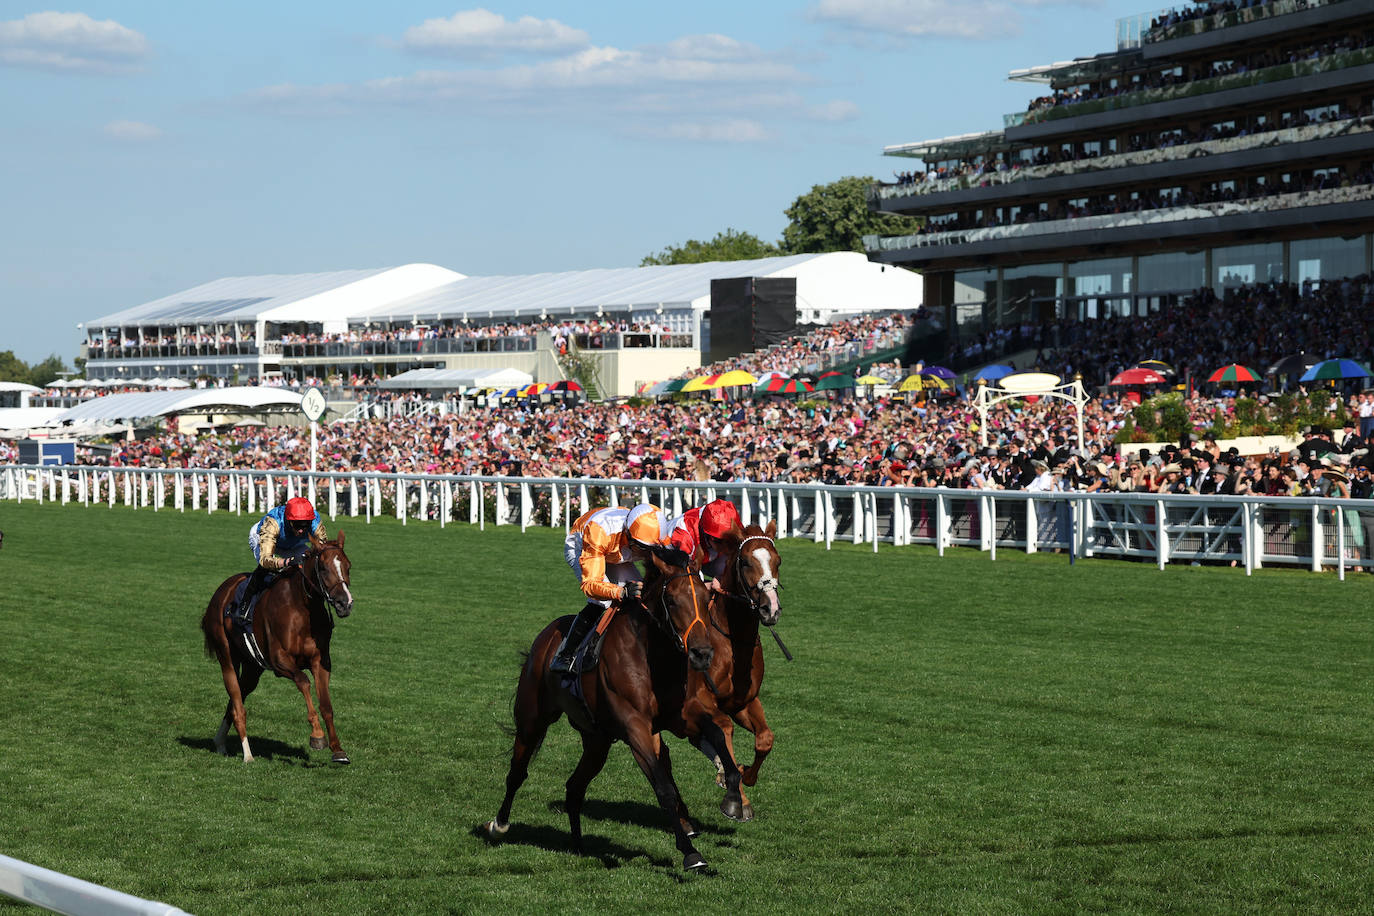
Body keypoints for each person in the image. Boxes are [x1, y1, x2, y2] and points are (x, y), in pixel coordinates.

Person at [551, 502, 671, 674]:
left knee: (641, 595)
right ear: (629, 535)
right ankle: (564, 655)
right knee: (604, 600)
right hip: (584, 546)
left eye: (650, 549)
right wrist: (620, 591)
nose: (646, 554)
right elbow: (590, 585)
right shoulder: (599, 532)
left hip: (617, 552)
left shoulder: (655, 534)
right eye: (642, 548)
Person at [241, 496, 326, 611]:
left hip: (293, 544)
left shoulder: (315, 522)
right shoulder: (273, 523)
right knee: (267, 570)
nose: (301, 530)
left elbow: (322, 550)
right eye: (297, 525)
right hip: (263, 538)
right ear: (289, 520)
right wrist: (287, 562)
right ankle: (244, 606)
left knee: (308, 568)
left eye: (305, 525)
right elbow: (265, 560)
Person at [667, 498, 742, 593]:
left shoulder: (725, 517)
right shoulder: (684, 535)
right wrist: (710, 585)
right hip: (675, 560)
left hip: (704, 556)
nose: (726, 547)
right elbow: (689, 583)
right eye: (721, 541)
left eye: (730, 540)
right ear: (708, 535)